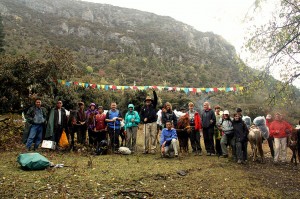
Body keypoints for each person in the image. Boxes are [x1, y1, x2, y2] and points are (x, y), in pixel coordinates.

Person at [140, 89, 158, 154]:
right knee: (146, 136)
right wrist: (143, 119)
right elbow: (140, 115)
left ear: (151, 101)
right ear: (145, 101)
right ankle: (145, 149)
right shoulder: (143, 107)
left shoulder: (153, 106)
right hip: (146, 124)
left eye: (149, 100)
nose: (148, 101)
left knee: (153, 136)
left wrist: (154, 91)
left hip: (153, 122)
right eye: (147, 100)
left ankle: (153, 149)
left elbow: (156, 99)